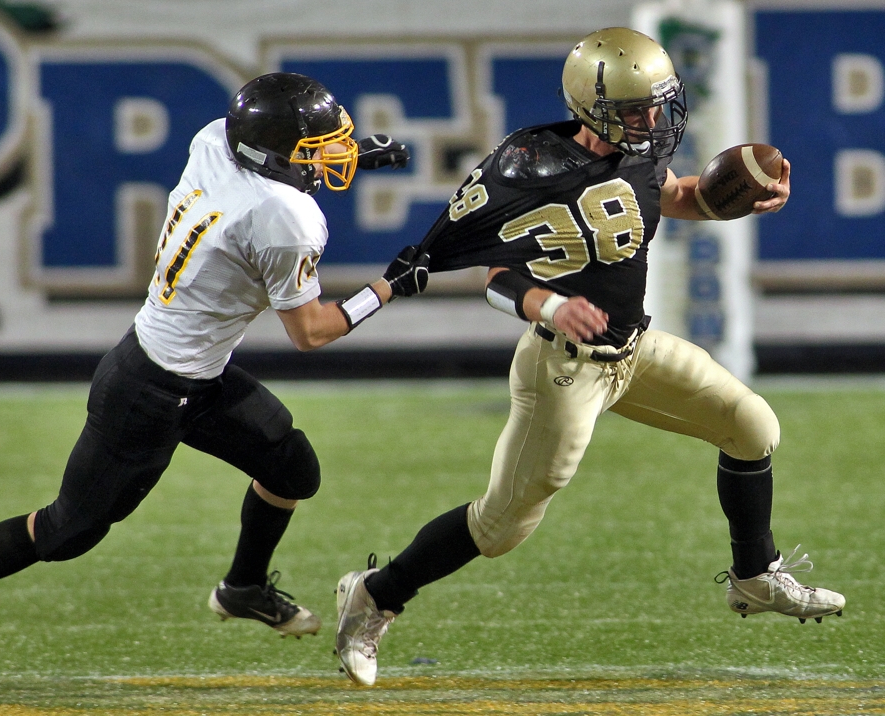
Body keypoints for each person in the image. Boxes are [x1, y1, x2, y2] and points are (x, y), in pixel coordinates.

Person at [334, 27, 846, 686]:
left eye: (659, 103)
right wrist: (550, 306)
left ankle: (754, 575)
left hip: (633, 349)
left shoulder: (641, 150)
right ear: (594, 108)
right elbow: (493, 279)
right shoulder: (529, 169)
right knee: (499, 528)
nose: (654, 118)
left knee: (752, 428)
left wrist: (735, 202)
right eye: (638, 109)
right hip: (563, 366)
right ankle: (376, 594)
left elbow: (673, 197)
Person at [0, 72, 427, 673]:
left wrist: (356, 154)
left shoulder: (217, 139)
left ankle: (242, 588)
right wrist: (390, 285)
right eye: (318, 149)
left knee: (292, 466)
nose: (331, 157)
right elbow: (311, 331)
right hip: (150, 390)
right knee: (67, 532)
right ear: (276, 157)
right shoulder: (285, 217)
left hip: (194, 372)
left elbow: (272, 168)